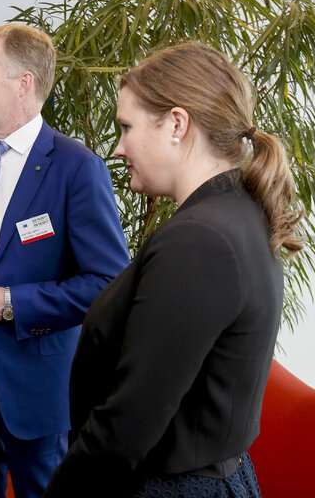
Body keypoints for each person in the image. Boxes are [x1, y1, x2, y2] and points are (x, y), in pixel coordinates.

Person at [43, 41, 303, 498]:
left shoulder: (201, 239)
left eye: (126, 127)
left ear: (177, 124)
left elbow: (129, 422)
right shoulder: (237, 213)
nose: (118, 149)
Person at [0, 24, 130, 498]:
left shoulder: (77, 167)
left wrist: (9, 303)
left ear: (23, 84)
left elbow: (108, 281)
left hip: (34, 381)